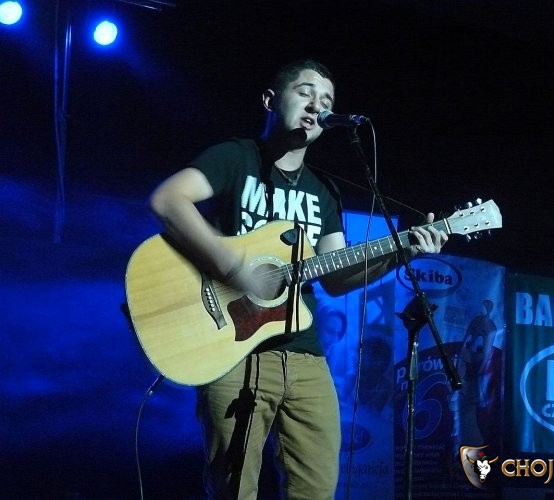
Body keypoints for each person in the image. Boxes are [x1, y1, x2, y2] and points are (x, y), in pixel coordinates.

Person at [148, 58, 448, 500]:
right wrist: (234, 267)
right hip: (231, 349)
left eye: (326, 100)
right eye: (305, 93)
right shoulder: (235, 158)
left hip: (305, 356)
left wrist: (402, 251)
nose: (316, 105)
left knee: (317, 488)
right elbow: (168, 199)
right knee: (233, 489)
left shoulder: (324, 191)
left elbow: (337, 278)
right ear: (270, 100)